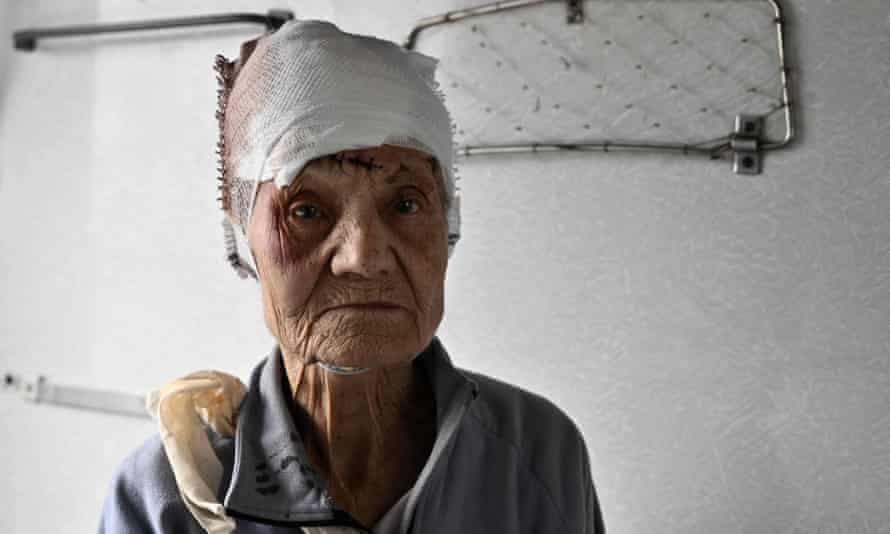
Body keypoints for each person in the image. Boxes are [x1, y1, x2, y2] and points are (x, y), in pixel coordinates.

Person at [99, 19, 605, 534]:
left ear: (447, 227)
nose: (363, 256)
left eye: (406, 203)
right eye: (306, 211)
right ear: (244, 241)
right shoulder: (165, 497)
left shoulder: (538, 452)